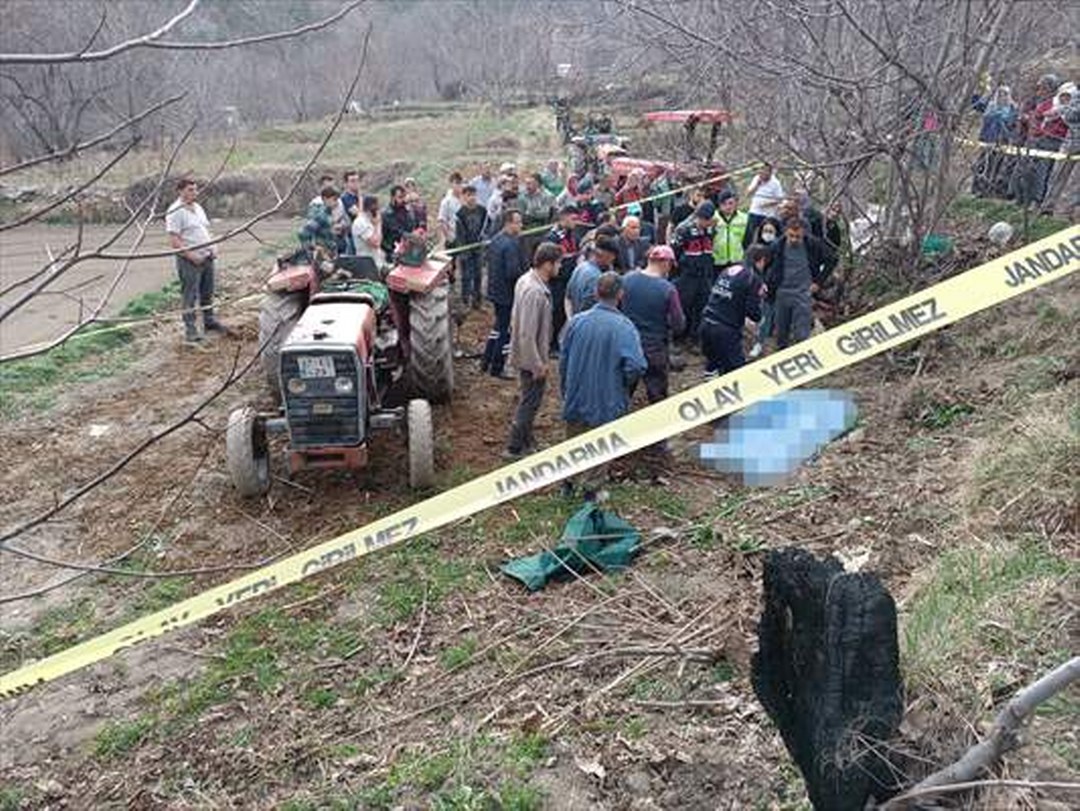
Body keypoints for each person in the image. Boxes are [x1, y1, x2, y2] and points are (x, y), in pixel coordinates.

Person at [560, 271, 647, 494]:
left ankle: (568, 484)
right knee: (600, 448)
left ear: (597, 293)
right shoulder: (624, 327)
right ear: (620, 294)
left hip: (577, 396)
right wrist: (625, 387)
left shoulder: (576, 323)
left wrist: (566, 390)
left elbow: (563, 360)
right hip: (607, 400)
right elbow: (636, 365)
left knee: (573, 442)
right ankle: (591, 492)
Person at [505, 243, 563, 458]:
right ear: (547, 264)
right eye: (558, 263)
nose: (560, 267)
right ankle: (514, 446)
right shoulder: (535, 292)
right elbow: (527, 334)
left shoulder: (526, 280)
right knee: (530, 402)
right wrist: (536, 364)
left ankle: (528, 440)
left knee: (530, 398)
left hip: (529, 354)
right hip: (531, 357)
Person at [621, 245, 686, 403]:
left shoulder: (626, 279)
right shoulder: (667, 289)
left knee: (623, 390)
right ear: (667, 263)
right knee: (657, 394)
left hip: (627, 342)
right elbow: (679, 324)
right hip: (654, 346)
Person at [166, 178, 221, 343]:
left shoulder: (197, 208)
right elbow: (175, 240)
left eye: (195, 190)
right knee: (190, 295)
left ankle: (209, 321)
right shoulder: (175, 211)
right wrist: (192, 256)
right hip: (189, 261)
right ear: (180, 191)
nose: (194, 193)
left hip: (207, 256)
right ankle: (191, 330)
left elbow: (205, 229)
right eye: (190, 190)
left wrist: (214, 246)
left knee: (207, 292)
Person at [765, 217, 834, 349]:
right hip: (782, 292)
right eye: (791, 236)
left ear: (803, 234)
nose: (794, 239)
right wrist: (769, 284)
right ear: (785, 232)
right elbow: (766, 265)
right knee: (781, 332)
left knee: (801, 332)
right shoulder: (777, 245)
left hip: (803, 292)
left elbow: (832, 259)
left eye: (798, 237)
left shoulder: (812, 244)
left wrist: (818, 282)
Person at [700, 249, 764, 375]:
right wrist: (758, 314)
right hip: (726, 330)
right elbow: (753, 312)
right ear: (761, 261)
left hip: (706, 323)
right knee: (735, 372)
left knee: (712, 366)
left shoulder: (728, 270)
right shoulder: (752, 278)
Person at [482, 210, 525, 379]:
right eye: (518, 222)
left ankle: (486, 361)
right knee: (505, 330)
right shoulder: (511, 244)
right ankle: (498, 367)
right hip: (507, 293)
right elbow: (512, 272)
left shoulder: (496, 239)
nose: (521, 226)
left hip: (495, 291)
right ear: (509, 223)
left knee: (498, 327)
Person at [670, 200, 716, 344]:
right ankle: (679, 338)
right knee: (684, 307)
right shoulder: (683, 229)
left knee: (701, 307)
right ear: (699, 217)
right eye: (705, 220)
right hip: (686, 276)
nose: (707, 223)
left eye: (709, 220)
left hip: (704, 275)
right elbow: (674, 253)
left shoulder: (710, 229)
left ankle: (695, 337)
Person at [543, 203, 580, 352]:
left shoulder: (570, 233)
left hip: (568, 279)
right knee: (555, 312)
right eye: (573, 218)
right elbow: (551, 260)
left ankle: (554, 342)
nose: (576, 222)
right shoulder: (553, 237)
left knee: (563, 313)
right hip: (556, 281)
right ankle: (549, 344)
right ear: (563, 217)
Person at [972, 85, 1019, 197]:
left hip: (1002, 141)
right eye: (1000, 94)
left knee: (995, 166)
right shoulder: (990, 106)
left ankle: (989, 190)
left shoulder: (1013, 109)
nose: (1002, 97)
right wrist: (980, 91)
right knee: (982, 164)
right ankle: (977, 189)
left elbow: (1013, 125)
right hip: (987, 140)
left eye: (1005, 94)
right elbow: (976, 105)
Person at [1041, 83, 1080, 216]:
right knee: (1058, 175)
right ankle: (1048, 207)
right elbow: (1069, 115)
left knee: (1076, 181)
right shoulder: (1075, 96)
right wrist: (1063, 109)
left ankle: (1064, 212)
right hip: (1071, 142)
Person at [455, 185, 489, 309]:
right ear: (464, 197)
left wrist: (484, 238)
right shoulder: (460, 214)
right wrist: (464, 252)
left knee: (478, 275)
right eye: (468, 195)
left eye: (473, 195)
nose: (471, 198)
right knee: (466, 276)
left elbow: (487, 226)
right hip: (465, 249)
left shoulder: (482, 210)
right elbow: (459, 234)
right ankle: (465, 302)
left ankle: (477, 301)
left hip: (478, 248)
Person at [566, 235, 617, 316]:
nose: (613, 259)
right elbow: (589, 312)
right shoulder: (596, 278)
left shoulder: (580, 267)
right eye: (612, 256)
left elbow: (567, 298)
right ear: (604, 254)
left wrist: (571, 319)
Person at [744, 162, 784, 249]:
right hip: (754, 211)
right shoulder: (756, 179)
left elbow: (780, 199)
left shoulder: (775, 183)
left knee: (764, 237)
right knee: (749, 237)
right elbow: (747, 194)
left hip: (767, 214)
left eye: (765, 172)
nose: (762, 174)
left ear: (770, 172)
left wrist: (767, 203)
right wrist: (757, 185)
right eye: (761, 171)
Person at [519, 172, 556, 262]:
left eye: (530, 183)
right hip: (527, 232)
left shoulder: (546, 196)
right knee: (527, 258)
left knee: (542, 258)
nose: (527, 186)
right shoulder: (522, 196)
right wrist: (534, 213)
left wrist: (530, 212)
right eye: (526, 183)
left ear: (537, 184)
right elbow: (522, 214)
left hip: (542, 231)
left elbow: (545, 214)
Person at [747, 244, 774, 359]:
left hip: (769, 294)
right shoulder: (749, 272)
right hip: (754, 298)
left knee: (765, 318)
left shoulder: (772, 264)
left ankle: (759, 343)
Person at [311, 173, 349, 254]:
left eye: (332, 187)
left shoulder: (339, 202)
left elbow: (346, 220)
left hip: (339, 240)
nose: (331, 190)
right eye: (328, 187)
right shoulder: (315, 204)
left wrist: (342, 226)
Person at [712, 190, 748, 273]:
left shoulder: (744, 218)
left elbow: (748, 239)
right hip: (717, 261)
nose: (728, 207)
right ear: (719, 205)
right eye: (724, 204)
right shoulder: (713, 218)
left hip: (737, 259)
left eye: (731, 203)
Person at [299, 186, 340, 257]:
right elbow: (303, 232)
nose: (337, 203)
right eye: (334, 199)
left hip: (330, 252)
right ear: (325, 199)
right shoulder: (321, 215)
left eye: (337, 200)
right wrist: (313, 247)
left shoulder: (329, 213)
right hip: (322, 255)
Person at [381, 184, 416, 263]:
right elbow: (396, 231)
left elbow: (411, 226)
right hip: (392, 250)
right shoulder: (386, 214)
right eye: (400, 197)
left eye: (404, 197)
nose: (403, 200)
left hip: (408, 248)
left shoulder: (406, 210)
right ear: (393, 198)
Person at [350, 195, 382, 267]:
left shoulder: (370, 220)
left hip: (376, 260)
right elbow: (376, 243)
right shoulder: (361, 222)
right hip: (367, 263)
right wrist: (377, 225)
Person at [437, 171, 464, 249]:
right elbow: (441, 221)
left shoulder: (464, 200)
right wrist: (449, 237)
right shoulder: (446, 201)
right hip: (453, 238)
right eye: (456, 183)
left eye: (460, 183)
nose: (458, 185)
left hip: (464, 238)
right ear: (451, 184)